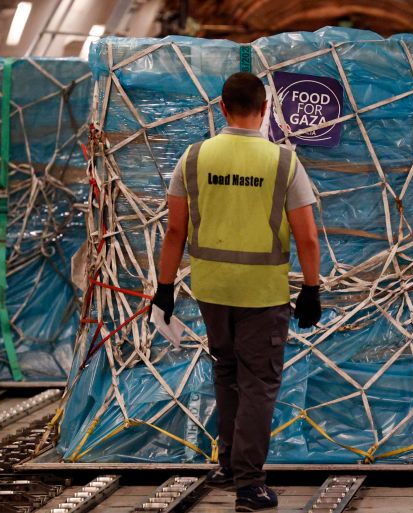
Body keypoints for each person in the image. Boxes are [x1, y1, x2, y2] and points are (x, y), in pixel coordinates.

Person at [151, 71, 321, 512]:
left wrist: (164, 288)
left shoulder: (192, 158)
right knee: (259, 383)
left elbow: (174, 231)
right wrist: (311, 288)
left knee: (226, 373)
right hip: (261, 294)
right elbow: (307, 237)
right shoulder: (283, 162)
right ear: (265, 110)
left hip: (212, 289)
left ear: (221, 108)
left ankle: (228, 465)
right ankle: (249, 484)